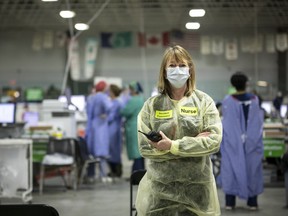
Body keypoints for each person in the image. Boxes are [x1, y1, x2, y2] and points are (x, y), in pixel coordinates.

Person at [136, 45, 223, 216]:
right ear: (164, 71)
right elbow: (145, 148)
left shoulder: (204, 102)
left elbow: (214, 143)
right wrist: (194, 144)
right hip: (161, 190)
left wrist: (170, 145)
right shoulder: (152, 106)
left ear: (190, 69)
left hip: (197, 189)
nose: (178, 70)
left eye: (182, 65)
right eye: (172, 66)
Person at [220, 72, 264, 210]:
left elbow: (226, 123)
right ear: (246, 83)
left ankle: (229, 203)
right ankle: (252, 203)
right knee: (252, 169)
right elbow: (258, 123)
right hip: (252, 142)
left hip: (232, 142)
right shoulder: (255, 100)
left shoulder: (227, 101)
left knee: (231, 169)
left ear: (232, 84)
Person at [85, 80, 112, 183]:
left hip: (91, 126)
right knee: (101, 153)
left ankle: (90, 175)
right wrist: (105, 114)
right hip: (100, 126)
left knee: (91, 153)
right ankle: (103, 175)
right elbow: (109, 107)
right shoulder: (102, 97)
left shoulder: (91, 97)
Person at [120, 81, 145, 174]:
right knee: (140, 150)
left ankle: (137, 172)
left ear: (134, 90)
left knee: (136, 151)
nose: (129, 91)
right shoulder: (141, 98)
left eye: (130, 89)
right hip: (139, 125)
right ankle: (141, 171)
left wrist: (121, 106)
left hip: (133, 127)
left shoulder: (134, 100)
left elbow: (125, 112)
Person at [107, 84, 123, 178]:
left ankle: (116, 171)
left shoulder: (117, 102)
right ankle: (113, 170)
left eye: (109, 91)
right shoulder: (113, 101)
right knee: (111, 149)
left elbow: (111, 116)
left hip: (114, 128)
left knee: (114, 149)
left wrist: (103, 118)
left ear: (113, 92)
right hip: (111, 128)